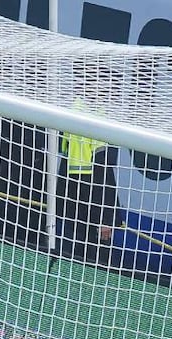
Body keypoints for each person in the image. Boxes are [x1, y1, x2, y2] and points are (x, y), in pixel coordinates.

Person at [57, 104, 118, 264]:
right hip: (90, 210)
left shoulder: (73, 109)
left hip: (71, 202)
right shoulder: (99, 117)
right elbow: (100, 173)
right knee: (95, 259)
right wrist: (104, 218)